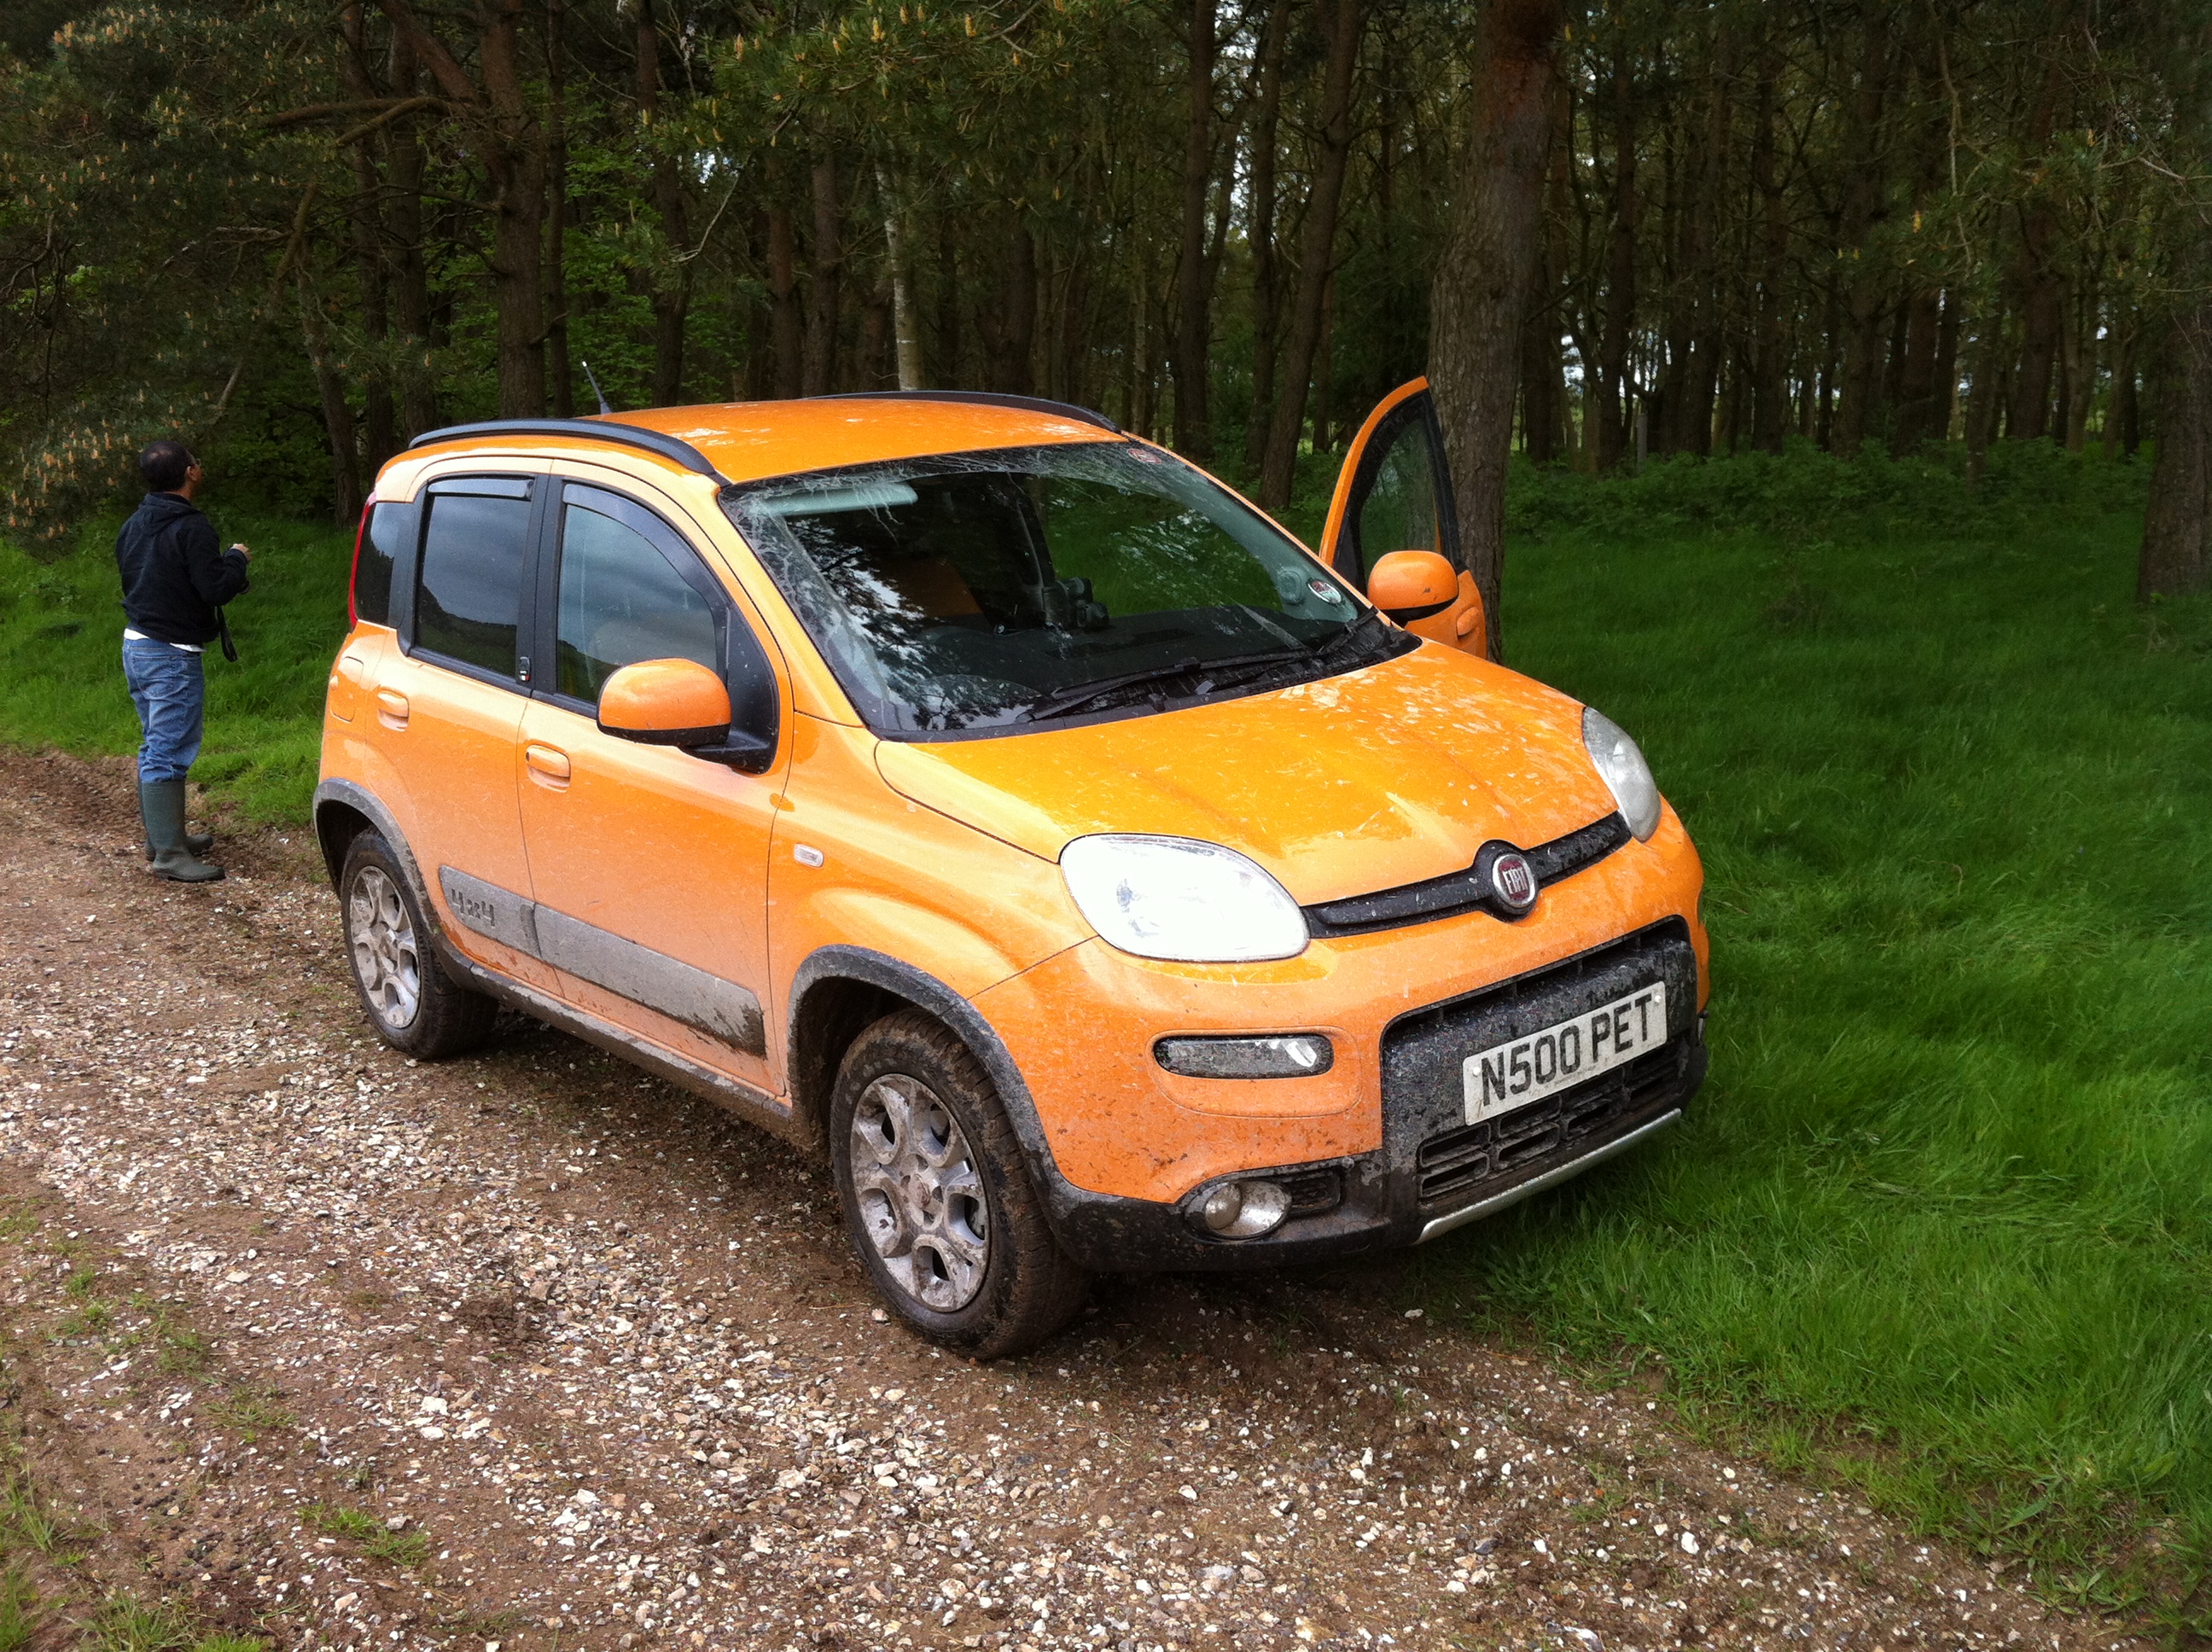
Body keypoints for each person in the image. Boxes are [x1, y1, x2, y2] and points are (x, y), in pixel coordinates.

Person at [116, 440, 252, 882]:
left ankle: (163, 838)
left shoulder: (134, 523)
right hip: (171, 654)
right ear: (191, 473)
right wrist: (236, 560)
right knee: (167, 750)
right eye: (197, 461)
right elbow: (214, 589)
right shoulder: (193, 528)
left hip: (137, 644)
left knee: (154, 743)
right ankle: (171, 855)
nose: (200, 466)